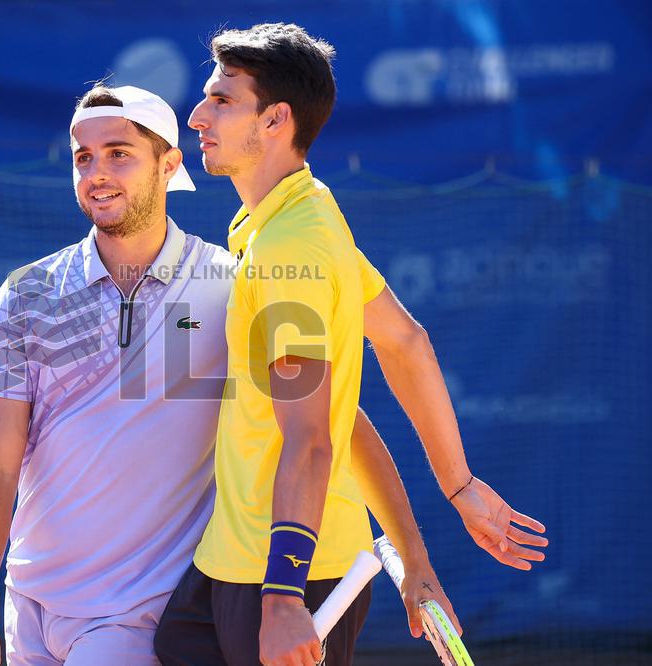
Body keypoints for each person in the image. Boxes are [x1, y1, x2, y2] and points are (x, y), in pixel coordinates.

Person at [0, 85, 454, 666]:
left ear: (169, 165)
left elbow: (338, 423)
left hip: (134, 619)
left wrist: (414, 556)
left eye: (119, 153)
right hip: (27, 609)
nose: (97, 173)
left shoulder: (229, 286)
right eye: (83, 157)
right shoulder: (26, 293)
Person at [156, 23, 547, 666]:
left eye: (222, 100)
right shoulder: (298, 216)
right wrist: (447, 503)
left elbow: (313, 439)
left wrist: (283, 599)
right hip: (234, 562)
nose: (197, 116)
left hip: (281, 577)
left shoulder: (293, 249)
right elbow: (400, 349)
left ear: (275, 119)